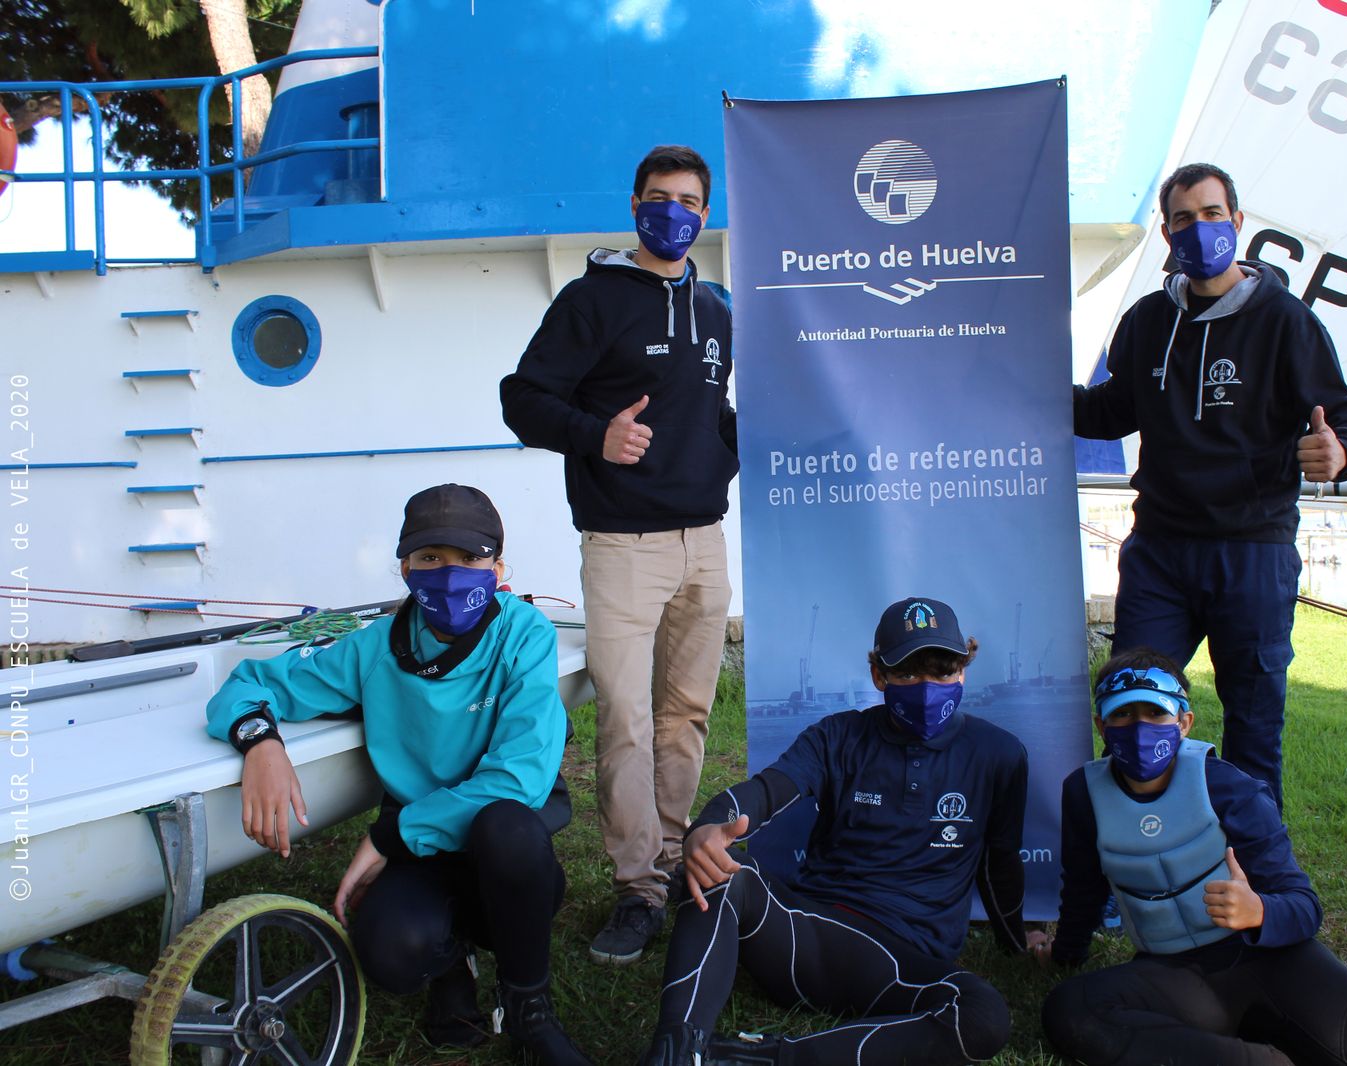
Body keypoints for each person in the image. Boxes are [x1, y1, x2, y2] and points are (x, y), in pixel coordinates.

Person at [204, 484, 592, 1065]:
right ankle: (451, 961)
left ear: (500, 567)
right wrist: (261, 744)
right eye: (431, 558)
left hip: (497, 834)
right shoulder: (373, 649)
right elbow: (250, 683)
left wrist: (391, 835)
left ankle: (529, 1010)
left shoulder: (525, 634)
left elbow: (520, 778)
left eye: (470, 558)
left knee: (506, 829)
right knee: (390, 953)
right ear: (404, 567)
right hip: (422, 844)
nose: (451, 574)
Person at [1032, 648, 1347, 1066]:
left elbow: (1304, 905)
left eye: (1154, 712)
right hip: (1173, 975)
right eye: (1122, 714)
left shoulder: (1229, 789)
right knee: (1072, 1011)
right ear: (1100, 723)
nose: (1138, 728)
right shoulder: (1085, 792)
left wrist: (1259, 912)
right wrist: (1066, 952)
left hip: (1265, 959)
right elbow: (1083, 886)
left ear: (1183, 721)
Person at [1074, 162, 1347, 809]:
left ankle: (1256, 884)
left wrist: (1340, 450)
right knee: (1132, 710)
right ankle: (1128, 873)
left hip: (1254, 555)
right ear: (1165, 233)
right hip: (1160, 553)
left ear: (1237, 223)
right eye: (1184, 219)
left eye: (1212, 215)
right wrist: (1030, 388)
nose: (1199, 229)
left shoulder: (1286, 322)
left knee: (1254, 728)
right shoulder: (1147, 321)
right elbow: (1109, 411)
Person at [501, 143, 738, 964]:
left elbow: (710, 415)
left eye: (689, 201)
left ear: (706, 215)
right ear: (636, 203)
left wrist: (729, 454)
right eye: (658, 197)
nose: (673, 212)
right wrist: (595, 436)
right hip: (622, 547)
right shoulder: (591, 301)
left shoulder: (717, 309)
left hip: (705, 544)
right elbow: (522, 398)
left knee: (686, 720)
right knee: (629, 723)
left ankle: (674, 865)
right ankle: (635, 888)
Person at [635, 596, 1029, 1066]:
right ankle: (675, 1051)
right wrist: (705, 829)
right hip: (805, 934)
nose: (926, 687)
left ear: (963, 671)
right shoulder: (837, 735)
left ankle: (746, 1059)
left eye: (943, 671)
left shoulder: (1000, 754)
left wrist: (1019, 946)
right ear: (878, 674)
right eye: (906, 673)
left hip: (906, 961)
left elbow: (999, 863)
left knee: (982, 1017)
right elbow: (765, 791)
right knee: (722, 871)